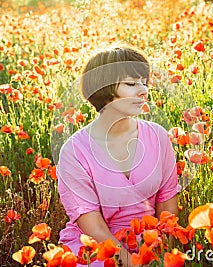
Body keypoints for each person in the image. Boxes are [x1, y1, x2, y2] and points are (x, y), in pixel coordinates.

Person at [56, 45, 181, 266]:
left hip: (150, 241)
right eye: (131, 84)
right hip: (97, 246)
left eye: (144, 82)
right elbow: (93, 226)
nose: (143, 91)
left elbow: (167, 204)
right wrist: (131, 263)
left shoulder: (158, 136)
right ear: (103, 89)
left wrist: (163, 255)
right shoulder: (74, 152)